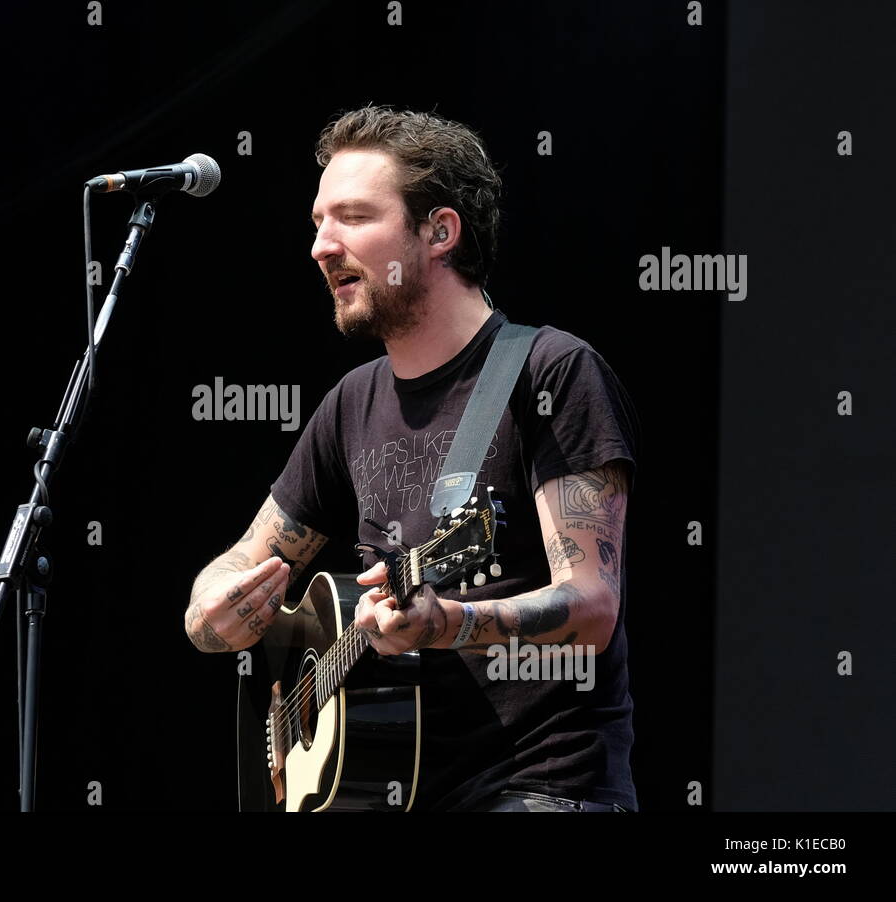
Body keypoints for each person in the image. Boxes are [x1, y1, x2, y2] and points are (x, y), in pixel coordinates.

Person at [183, 104, 640, 812]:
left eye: (354, 217)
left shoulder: (550, 373)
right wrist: (211, 610)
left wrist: (448, 622)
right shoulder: (350, 404)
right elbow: (240, 562)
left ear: (440, 232)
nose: (322, 247)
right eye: (317, 224)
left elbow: (592, 605)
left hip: (539, 788)